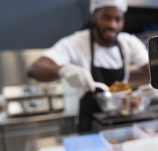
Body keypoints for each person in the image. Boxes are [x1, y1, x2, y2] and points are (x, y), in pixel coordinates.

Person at [28, 0, 149, 133]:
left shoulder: (129, 42)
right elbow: (35, 69)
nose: (112, 25)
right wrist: (62, 70)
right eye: (106, 17)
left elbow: (151, 68)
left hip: (122, 120)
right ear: (94, 16)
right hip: (90, 125)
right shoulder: (76, 42)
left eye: (118, 19)